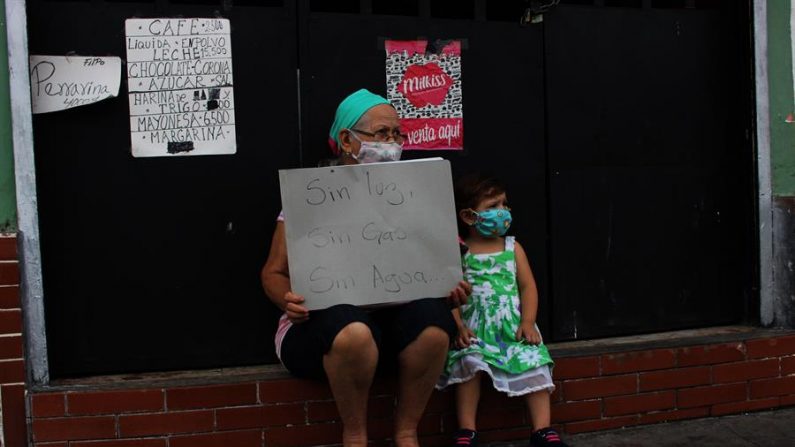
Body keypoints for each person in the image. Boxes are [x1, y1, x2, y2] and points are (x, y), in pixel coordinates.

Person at [261, 89, 470, 447]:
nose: (393, 143)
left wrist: (452, 289)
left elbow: (439, 263)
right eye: (383, 134)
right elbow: (273, 272)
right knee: (353, 329)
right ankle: (355, 435)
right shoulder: (310, 196)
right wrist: (288, 301)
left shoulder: (418, 196)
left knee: (435, 327)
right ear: (347, 139)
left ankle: (407, 433)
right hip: (326, 331)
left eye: (397, 134)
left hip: (395, 327)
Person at [437, 173, 568, 447]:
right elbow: (449, 294)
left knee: (534, 360)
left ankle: (542, 431)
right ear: (469, 217)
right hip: (475, 329)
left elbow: (528, 287)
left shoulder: (512, 247)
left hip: (512, 328)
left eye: (504, 204)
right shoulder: (459, 252)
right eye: (493, 206)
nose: (503, 212)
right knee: (469, 362)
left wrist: (529, 322)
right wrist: (458, 327)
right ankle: (466, 431)